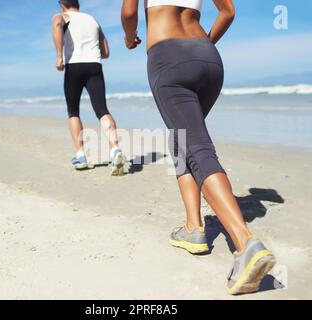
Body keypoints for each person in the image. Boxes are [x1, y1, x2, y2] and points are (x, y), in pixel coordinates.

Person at [121, 0, 276, 295]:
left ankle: (246, 243)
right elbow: (228, 11)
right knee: (182, 140)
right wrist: (200, 48)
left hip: (167, 56)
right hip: (208, 57)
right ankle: (194, 228)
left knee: (197, 147)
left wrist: (130, 38)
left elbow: (128, 13)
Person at [52, 0, 125, 175]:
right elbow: (106, 51)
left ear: (62, 4)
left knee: (73, 111)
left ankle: (81, 155)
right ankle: (115, 149)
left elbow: (56, 24)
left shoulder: (61, 16)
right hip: (94, 66)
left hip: (74, 67)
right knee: (102, 110)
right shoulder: (93, 19)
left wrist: (59, 56)